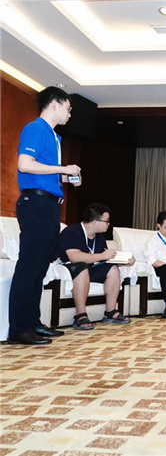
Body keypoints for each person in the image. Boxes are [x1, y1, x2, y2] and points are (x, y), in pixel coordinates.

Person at [7, 87, 82, 345]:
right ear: (54, 104)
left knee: (40, 266)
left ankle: (33, 323)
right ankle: (18, 329)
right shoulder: (35, 128)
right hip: (35, 203)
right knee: (30, 266)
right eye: (68, 108)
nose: (69, 114)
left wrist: (67, 177)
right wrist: (63, 168)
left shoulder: (54, 136)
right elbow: (25, 164)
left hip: (49, 204)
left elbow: (46, 173)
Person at [60, 203, 134, 330]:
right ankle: (80, 314)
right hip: (69, 269)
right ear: (94, 222)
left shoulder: (100, 238)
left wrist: (123, 262)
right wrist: (102, 256)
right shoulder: (71, 232)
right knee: (82, 267)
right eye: (106, 221)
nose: (108, 224)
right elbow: (74, 257)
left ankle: (110, 311)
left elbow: (104, 259)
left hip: (89, 268)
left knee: (112, 269)